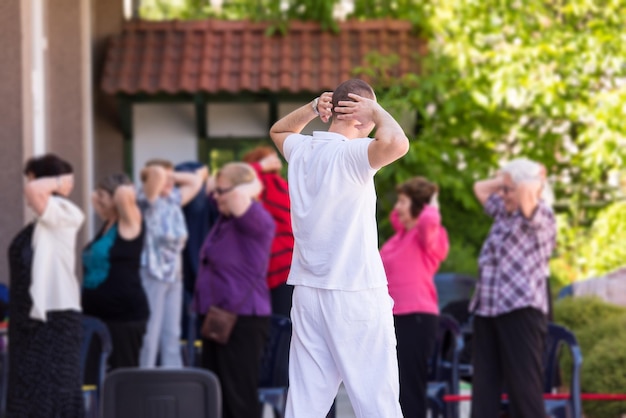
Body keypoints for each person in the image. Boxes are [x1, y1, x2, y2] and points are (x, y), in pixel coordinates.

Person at [269, 78, 409, 418]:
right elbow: (397, 143)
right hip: (354, 289)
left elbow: (277, 131)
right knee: (377, 400)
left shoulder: (302, 151)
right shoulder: (353, 155)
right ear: (361, 118)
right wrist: (376, 110)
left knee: (305, 402)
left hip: (307, 289)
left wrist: (313, 108)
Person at [470, 158, 556, 418]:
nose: (502, 194)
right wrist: (506, 179)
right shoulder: (502, 212)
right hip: (488, 311)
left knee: (524, 391)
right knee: (483, 391)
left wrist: (522, 179)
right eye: (503, 190)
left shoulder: (538, 217)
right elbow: (480, 188)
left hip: (520, 312)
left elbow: (528, 191)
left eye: (508, 190)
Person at [194, 162, 275, 418]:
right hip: (217, 319)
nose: (215, 196)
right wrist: (220, 184)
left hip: (242, 322)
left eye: (221, 191)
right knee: (217, 396)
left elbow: (241, 193)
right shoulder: (225, 220)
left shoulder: (254, 220)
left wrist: (252, 176)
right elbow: (210, 186)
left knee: (238, 397)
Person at [7, 154, 85, 417]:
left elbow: (34, 190)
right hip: (28, 323)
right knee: (26, 399)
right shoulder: (41, 222)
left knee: (51, 398)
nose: (26, 188)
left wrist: (60, 181)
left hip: (54, 321)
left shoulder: (64, 215)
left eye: (30, 178)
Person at [380, 176, 449, 418]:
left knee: (409, 388)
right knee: (390, 388)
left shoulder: (430, 236)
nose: (397, 207)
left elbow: (429, 220)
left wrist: (431, 202)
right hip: (392, 317)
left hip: (416, 318)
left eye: (402, 201)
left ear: (418, 205)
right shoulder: (397, 238)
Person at [137, 159, 205, 368]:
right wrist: (159, 174)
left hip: (174, 276)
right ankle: (143, 379)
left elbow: (195, 181)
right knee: (151, 333)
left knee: (172, 333)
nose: (169, 182)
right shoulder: (147, 199)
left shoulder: (173, 200)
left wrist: (171, 176)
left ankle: (171, 381)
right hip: (153, 273)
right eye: (163, 178)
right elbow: (155, 176)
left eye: (171, 178)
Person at [82, 173, 149, 376]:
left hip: (124, 317)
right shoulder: (107, 224)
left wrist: (121, 188)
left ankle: (129, 410)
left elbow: (124, 196)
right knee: (93, 376)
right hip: (97, 315)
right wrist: (102, 192)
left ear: (117, 197)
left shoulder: (131, 222)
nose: (97, 198)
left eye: (103, 194)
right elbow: (94, 198)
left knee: (123, 378)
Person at [242, 146, 295, 317]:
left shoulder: (268, 185)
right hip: (285, 260)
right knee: (283, 320)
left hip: (265, 261)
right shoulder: (270, 185)